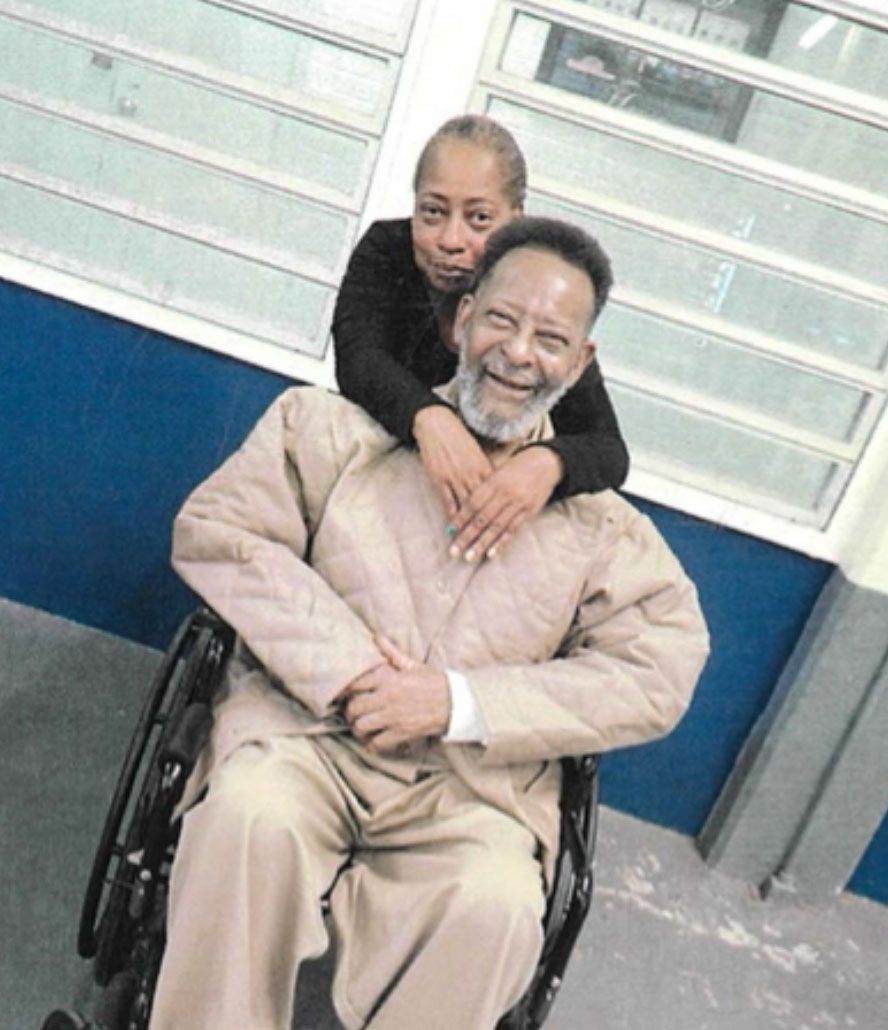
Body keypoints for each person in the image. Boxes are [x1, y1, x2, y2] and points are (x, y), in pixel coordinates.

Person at [150, 217, 709, 1030]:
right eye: (502, 321)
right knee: (246, 817)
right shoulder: (327, 431)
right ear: (461, 319)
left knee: (495, 905)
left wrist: (457, 703)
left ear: (581, 362)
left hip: (471, 793)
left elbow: (658, 669)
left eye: (551, 338)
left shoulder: (605, 531)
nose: (519, 354)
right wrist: (352, 672)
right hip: (306, 738)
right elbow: (221, 532)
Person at [333, 114, 629, 564]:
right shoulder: (387, 251)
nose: (451, 239)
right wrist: (430, 418)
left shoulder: (533, 293)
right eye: (432, 212)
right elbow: (358, 359)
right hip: (373, 492)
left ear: (515, 220)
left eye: (479, 219)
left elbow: (608, 449)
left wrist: (546, 464)